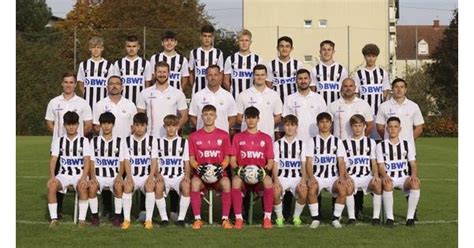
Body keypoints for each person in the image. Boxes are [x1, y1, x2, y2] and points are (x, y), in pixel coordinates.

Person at [45, 72, 92, 218]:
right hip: (58, 148)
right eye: (66, 82)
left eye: (71, 82)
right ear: (61, 83)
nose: (68, 85)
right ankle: (57, 212)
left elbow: (88, 124)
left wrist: (75, 139)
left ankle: (84, 215)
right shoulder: (54, 102)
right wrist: (63, 138)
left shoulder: (82, 103)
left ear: (75, 84)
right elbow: (49, 122)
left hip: (77, 149)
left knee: (81, 180)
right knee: (58, 179)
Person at [188, 105, 233, 229]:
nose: (208, 117)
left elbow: (227, 158)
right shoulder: (193, 136)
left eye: (211, 114)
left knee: (227, 183)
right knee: (195, 183)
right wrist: (198, 167)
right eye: (206, 114)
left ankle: (225, 219)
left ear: (216, 116)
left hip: (219, 175)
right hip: (201, 175)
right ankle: (197, 219)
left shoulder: (224, 135)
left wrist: (221, 168)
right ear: (201, 117)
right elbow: (191, 158)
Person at [230, 107, 275, 229]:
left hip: (259, 176)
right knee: (235, 181)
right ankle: (239, 218)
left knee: (269, 181)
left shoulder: (266, 138)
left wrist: (264, 171)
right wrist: (238, 170)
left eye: (253, 118)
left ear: (258, 119)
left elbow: (270, 160)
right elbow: (232, 159)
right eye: (248, 118)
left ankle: (267, 217)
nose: (251, 120)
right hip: (243, 175)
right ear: (244, 119)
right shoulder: (238, 137)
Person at [47, 111, 91, 227]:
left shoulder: (84, 141)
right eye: (68, 124)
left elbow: (87, 161)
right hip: (63, 175)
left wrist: (83, 177)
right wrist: (52, 177)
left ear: (78, 125)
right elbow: (53, 160)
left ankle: (81, 220)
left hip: (79, 174)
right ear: (64, 125)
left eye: (74, 124)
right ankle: (54, 219)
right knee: (52, 186)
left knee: (82, 186)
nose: (71, 127)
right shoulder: (59, 141)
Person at [121, 113, 164, 230]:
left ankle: (148, 220)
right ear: (133, 126)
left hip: (146, 175)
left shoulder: (152, 140)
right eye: (137, 125)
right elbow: (127, 161)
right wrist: (129, 176)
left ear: (146, 126)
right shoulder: (127, 140)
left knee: (150, 187)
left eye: (142, 125)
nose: (139, 128)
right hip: (133, 175)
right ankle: (126, 219)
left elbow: (154, 160)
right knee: (127, 187)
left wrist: (151, 176)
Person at [306, 112, 349, 228]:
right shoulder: (312, 141)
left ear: (331, 124)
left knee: (342, 188)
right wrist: (311, 177)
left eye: (327, 122)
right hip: (318, 176)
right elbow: (309, 162)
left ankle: (335, 218)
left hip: (332, 176)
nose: (324, 125)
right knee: (311, 188)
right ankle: (315, 218)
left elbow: (341, 161)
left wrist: (341, 176)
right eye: (322, 122)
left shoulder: (337, 141)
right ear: (318, 124)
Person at [376, 116, 421, 227]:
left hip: (403, 178)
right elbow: (381, 166)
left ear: (400, 129)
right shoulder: (380, 146)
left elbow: (413, 163)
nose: (393, 129)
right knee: (387, 184)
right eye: (390, 127)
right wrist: (385, 176)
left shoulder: (407, 144)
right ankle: (390, 218)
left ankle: (410, 218)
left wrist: (414, 174)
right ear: (387, 129)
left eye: (395, 127)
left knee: (415, 183)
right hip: (389, 177)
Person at [88, 112, 129, 227]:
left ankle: (117, 216)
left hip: (113, 175)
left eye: (109, 123)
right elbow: (92, 161)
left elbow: (122, 162)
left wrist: (119, 176)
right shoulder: (94, 141)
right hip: (99, 176)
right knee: (91, 187)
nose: (106, 126)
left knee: (118, 186)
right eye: (104, 123)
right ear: (100, 125)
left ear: (113, 125)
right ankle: (95, 217)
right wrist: (93, 177)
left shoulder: (120, 142)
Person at [342, 114, 382, 225]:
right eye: (355, 126)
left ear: (364, 126)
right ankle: (352, 218)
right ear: (351, 127)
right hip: (352, 176)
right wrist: (347, 176)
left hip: (366, 176)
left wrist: (375, 175)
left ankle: (376, 218)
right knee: (349, 185)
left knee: (378, 184)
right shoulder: (344, 143)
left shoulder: (371, 142)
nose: (357, 128)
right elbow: (343, 164)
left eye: (360, 125)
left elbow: (373, 162)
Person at [272, 115, 310, 227]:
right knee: (275, 191)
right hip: (282, 176)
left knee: (303, 191)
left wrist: (303, 179)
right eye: (287, 125)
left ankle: (296, 217)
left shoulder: (301, 144)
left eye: (292, 125)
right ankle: (279, 218)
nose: (289, 128)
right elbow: (275, 164)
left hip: (296, 177)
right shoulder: (277, 144)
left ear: (296, 127)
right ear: (283, 126)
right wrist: (276, 180)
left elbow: (303, 164)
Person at [156, 114, 192, 227]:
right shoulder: (157, 142)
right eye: (168, 126)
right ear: (165, 126)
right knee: (158, 187)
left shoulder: (183, 142)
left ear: (178, 127)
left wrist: (187, 175)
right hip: (164, 175)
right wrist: (157, 174)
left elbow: (186, 162)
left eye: (174, 126)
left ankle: (180, 219)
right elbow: (155, 161)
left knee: (186, 186)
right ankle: (164, 219)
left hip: (178, 176)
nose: (171, 128)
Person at [136, 61, 188, 138]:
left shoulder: (177, 93)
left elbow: (184, 116)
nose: (162, 74)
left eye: (164, 72)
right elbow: (140, 116)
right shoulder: (145, 93)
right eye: (159, 72)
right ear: (155, 73)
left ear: (169, 73)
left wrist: (174, 130)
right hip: (151, 138)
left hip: (171, 138)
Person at [353, 43, 391, 140]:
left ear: (376, 57)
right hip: (364, 113)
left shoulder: (382, 73)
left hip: (378, 113)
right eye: (368, 56)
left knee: (379, 139)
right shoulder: (358, 73)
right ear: (364, 57)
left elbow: (385, 92)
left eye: (373, 56)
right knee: (364, 139)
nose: (371, 59)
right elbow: (356, 94)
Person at [236, 64, 283, 141]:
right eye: (257, 75)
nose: (260, 77)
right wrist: (251, 125)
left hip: (268, 136)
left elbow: (278, 117)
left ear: (266, 76)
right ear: (253, 76)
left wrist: (266, 123)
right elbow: (238, 117)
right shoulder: (243, 95)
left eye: (262, 75)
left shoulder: (274, 95)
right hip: (247, 138)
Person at [376, 78, 424, 148]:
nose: (399, 89)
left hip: (408, 148)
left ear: (405, 90)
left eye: (402, 87)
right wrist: (390, 139)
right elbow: (380, 128)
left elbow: (419, 128)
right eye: (396, 87)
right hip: (388, 148)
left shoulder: (413, 106)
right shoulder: (383, 106)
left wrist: (409, 140)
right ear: (392, 89)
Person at [189, 64, 237, 133]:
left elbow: (232, 117)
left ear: (220, 76)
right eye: (210, 75)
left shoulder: (228, 96)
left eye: (215, 75)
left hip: (222, 138)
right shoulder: (197, 96)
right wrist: (202, 130)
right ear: (206, 77)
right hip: (203, 137)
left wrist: (223, 130)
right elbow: (192, 116)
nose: (213, 77)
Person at [284, 68, 327, 142]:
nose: (303, 81)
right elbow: (285, 121)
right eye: (300, 79)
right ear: (296, 81)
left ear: (310, 80)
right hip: (295, 140)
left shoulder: (319, 98)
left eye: (305, 78)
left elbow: (324, 120)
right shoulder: (289, 99)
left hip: (316, 140)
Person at [77, 36, 115, 114]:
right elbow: (80, 82)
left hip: (104, 103)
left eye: (98, 47)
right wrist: (85, 93)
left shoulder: (109, 65)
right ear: (90, 48)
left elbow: (111, 84)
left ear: (102, 48)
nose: (96, 50)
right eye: (93, 47)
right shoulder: (83, 65)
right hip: (87, 103)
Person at [114, 35, 152, 104]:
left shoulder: (146, 64)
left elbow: (147, 85)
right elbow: (116, 84)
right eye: (129, 46)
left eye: (134, 46)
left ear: (138, 47)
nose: (131, 49)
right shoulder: (118, 64)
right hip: (122, 102)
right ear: (125, 47)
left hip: (140, 103)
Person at [223, 29, 262, 98]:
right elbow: (226, 80)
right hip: (235, 98)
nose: (244, 43)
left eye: (246, 40)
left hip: (253, 98)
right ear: (238, 42)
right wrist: (231, 92)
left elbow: (261, 79)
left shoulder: (257, 59)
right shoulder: (230, 59)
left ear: (250, 42)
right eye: (241, 40)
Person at [266, 36, 304, 104]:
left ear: (291, 48)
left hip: (295, 101)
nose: (284, 49)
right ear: (277, 48)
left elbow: (301, 83)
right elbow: (269, 85)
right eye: (281, 46)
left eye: (287, 46)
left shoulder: (298, 64)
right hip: (276, 101)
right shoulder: (270, 65)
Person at [188, 24, 224, 95]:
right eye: (205, 36)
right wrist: (194, 86)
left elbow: (221, 73)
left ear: (212, 38)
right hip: (197, 91)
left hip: (213, 93)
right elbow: (191, 72)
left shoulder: (218, 53)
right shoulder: (194, 52)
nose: (207, 39)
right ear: (200, 37)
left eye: (209, 36)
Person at [311, 40, 348, 105]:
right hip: (320, 106)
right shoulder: (314, 69)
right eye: (324, 50)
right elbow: (312, 90)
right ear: (320, 52)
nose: (326, 52)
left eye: (329, 50)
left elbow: (344, 89)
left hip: (337, 106)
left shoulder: (341, 69)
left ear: (333, 52)